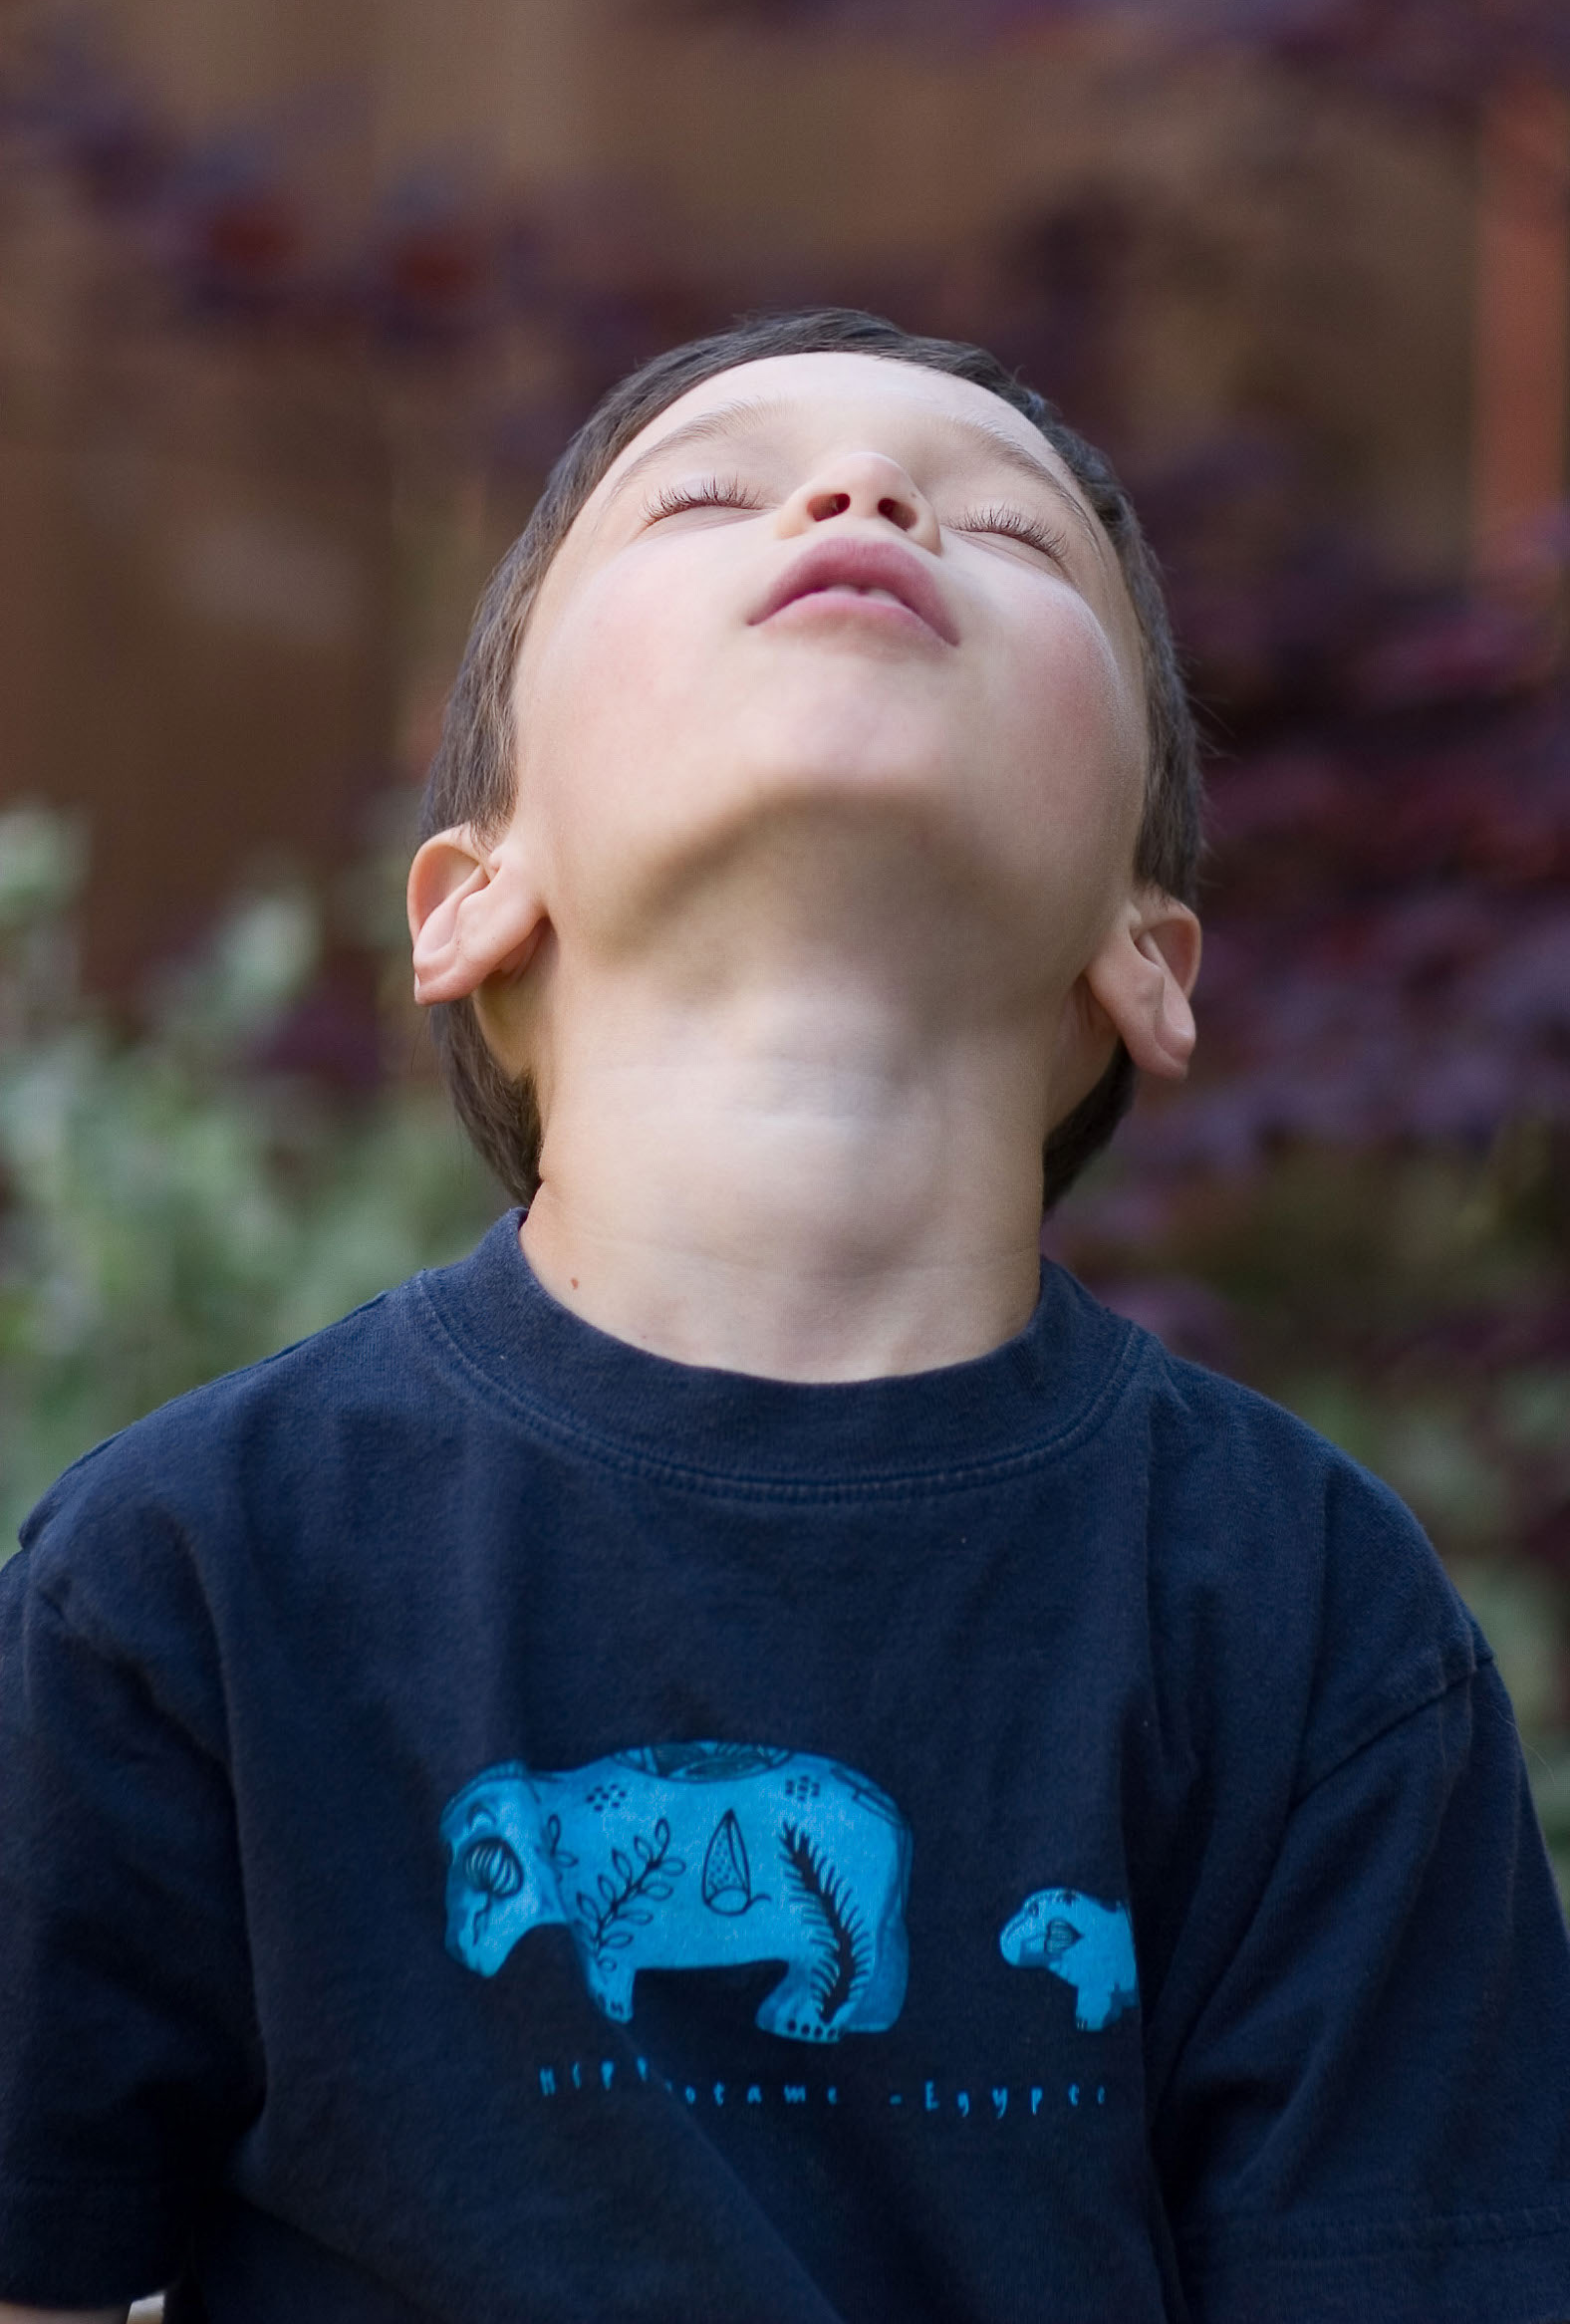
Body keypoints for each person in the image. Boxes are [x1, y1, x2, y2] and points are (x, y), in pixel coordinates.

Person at [1, 309, 1567, 2324]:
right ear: (470, 896)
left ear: (1147, 959)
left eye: (1004, 534)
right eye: (711, 494)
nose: (864, 498)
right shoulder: (192, 1570)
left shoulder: (1305, 1620)